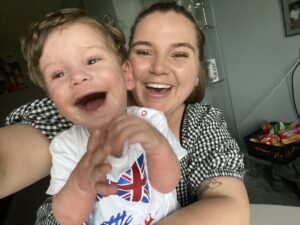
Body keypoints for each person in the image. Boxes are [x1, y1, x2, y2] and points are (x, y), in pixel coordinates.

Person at [0, 2, 250, 225]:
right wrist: (79, 184)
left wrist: (157, 146)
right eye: (144, 51)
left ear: (198, 72)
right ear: (128, 67)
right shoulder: (65, 140)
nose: (159, 67)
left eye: (180, 54)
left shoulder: (168, 122)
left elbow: (221, 203)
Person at [20, 8, 185, 225]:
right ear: (55, 103)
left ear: (126, 74)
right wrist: (80, 183)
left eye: (91, 60)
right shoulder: (65, 147)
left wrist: (157, 146)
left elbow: (167, 184)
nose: (78, 77)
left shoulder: (150, 121)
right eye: (59, 74)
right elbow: (67, 219)